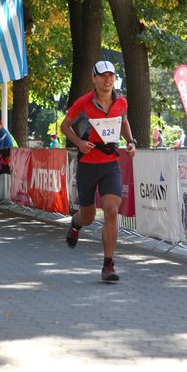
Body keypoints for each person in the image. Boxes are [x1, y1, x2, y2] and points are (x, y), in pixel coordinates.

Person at [60, 60, 136, 283]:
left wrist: (131, 141)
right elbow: (64, 126)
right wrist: (78, 143)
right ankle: (76, 223)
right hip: (87, 165)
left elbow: (123, 121)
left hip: (110, 164)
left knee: (111, 211)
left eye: (111, 75)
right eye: (103, 75)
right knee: (89, 216)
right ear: (94, 78)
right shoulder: (83, 103)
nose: (107, 79)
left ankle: (108, 264)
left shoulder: (121, 102)